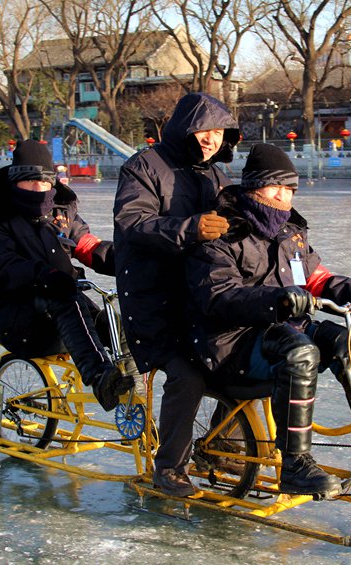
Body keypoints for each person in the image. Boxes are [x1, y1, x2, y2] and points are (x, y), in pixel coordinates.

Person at [186, 144, 351, 496]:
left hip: (283, 330)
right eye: (274, 187)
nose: (283, 197)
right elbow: (217, 295)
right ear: (252, 187)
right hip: (232, 342)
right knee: (300, 352)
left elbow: (317, 278)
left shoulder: (290, 232)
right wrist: (274, 300)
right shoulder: (222, 231)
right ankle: (294, 465)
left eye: (290, 189)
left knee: (347, 342)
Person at [114, 92, 239, 497]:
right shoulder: (144, 167)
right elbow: (133, 225)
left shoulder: (216, 176)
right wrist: (189, 228)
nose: (210, 139)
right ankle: (169, 467)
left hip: (202, 297)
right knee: (188, 374)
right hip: (154, 302)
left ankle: (224, 443)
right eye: (204, 129)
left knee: (247, 361)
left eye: (219, 132)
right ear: (185, 125)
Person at [0, 139, 133, 412]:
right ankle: (99, 377)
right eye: (30, 181)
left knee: (119, 327)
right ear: (14, 180)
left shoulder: (60, 210)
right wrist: (44, 275)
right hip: (11, 310)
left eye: (45, 182)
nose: (39, 189)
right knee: (67, 299)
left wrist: (130, 262)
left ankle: (131, 397)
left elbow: (87, 245)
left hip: (62, 303)